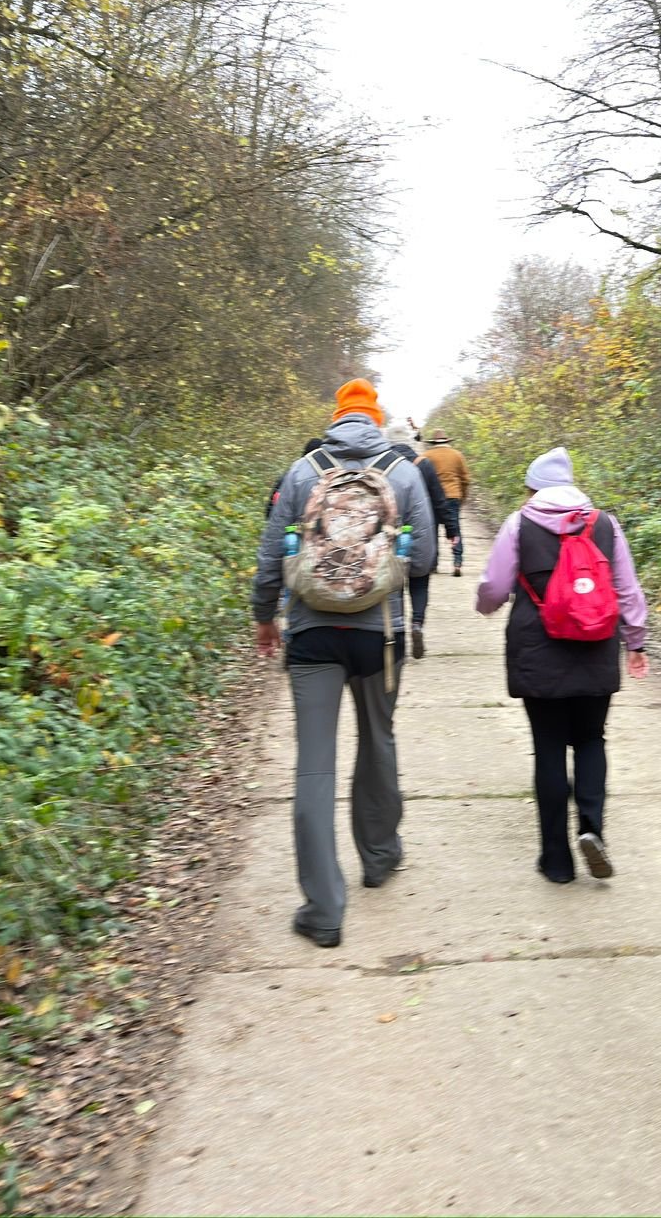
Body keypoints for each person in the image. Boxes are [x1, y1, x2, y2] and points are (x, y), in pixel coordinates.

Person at [253, 379, 436, 948]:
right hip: (380, 635)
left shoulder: (303, 470)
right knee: (377, 740)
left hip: (312, 634)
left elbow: (270, 553)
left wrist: (264, 615)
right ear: (375, 420)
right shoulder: (402, 472)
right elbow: (423, 558)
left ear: (335, 418)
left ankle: (324, 910)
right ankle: (379, 856)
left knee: (315, 765)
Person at [476, 446, 648, 884]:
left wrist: (486, 606)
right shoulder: (606, 524)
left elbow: (494, 587)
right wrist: (636, 641)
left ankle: (556, 861)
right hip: (596, 644)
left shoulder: (519, 524)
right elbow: (627, 588)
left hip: (538, 650)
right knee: (591, 739)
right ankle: (592, 829)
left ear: (532, 488)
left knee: (549, 746)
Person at [386, 416, 449, 662]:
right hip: (422, 529)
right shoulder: (423, 464)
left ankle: (398, 630)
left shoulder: (381, 466)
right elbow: (439, 499)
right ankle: (417, 624)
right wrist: (451, 529)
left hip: (390, 534)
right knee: (420, 581)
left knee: (394, 584)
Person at [423, 429, 471, 575]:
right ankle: (457, 561)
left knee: (433, 530)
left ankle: (433, 564)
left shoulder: (427, 456)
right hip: (453, 496)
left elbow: (421, 478)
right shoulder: (457, 455)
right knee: (454, 528)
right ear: (447, 441)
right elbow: (465, 480)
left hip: (433, 497)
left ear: (433, 442)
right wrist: (462, 497)